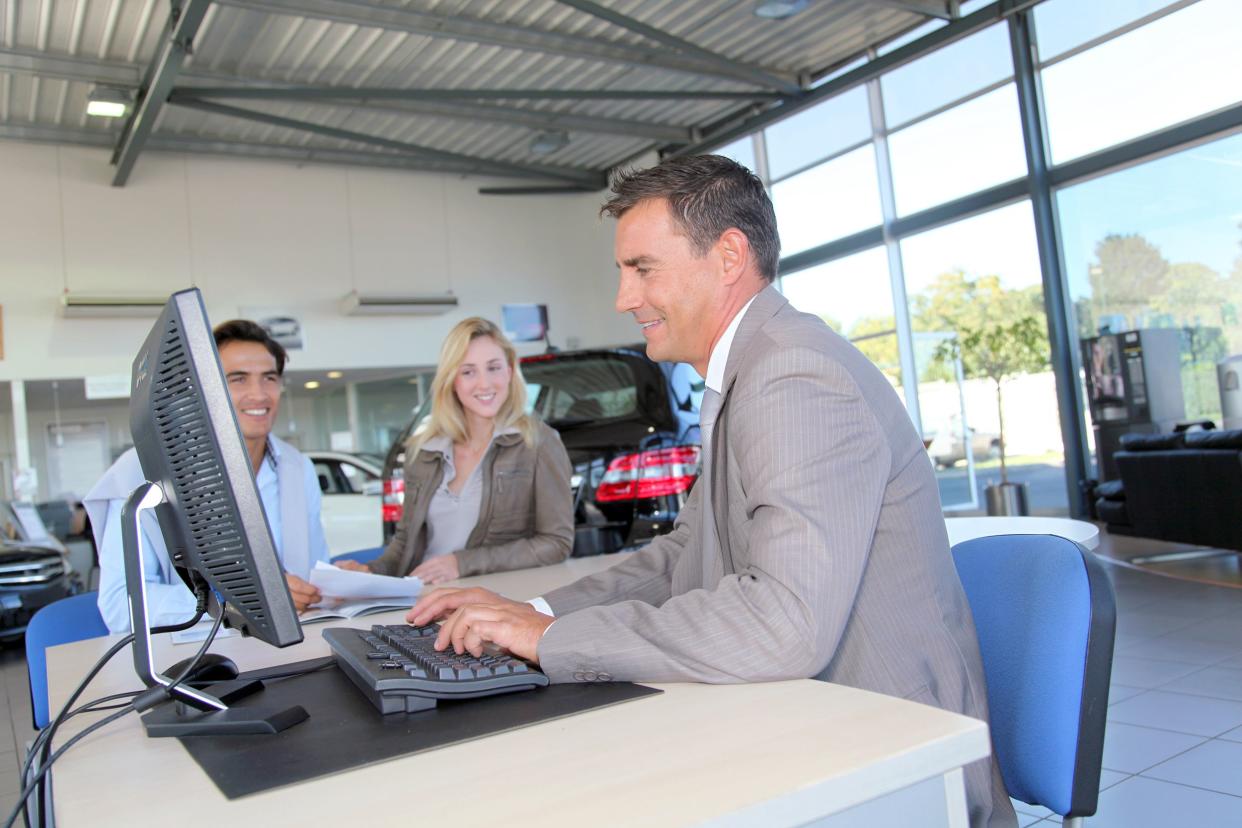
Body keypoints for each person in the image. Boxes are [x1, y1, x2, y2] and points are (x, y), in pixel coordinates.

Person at [407, 156, 1016, 827]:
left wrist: (552, 640)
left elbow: (784, 624)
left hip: (895, 759)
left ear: (728, 256)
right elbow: (682, 556)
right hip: (816, 721)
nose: (623, 298)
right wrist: (534, 611)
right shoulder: (748, 374)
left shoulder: (793, 375)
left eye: (642, 268)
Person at [87, 319, 330, 633]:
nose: (259, 394)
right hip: (194, 658)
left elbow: (311, 572)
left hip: (292, 647)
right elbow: (120, 605)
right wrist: (237, 602)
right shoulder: (140, 471)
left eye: (269, 378)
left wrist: (332, 583)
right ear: (200, 389)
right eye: (238, 379)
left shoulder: (298, 468)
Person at [339, 317, 572, 584]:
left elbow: (556, 543)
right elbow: (405, 544)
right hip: (425, 601)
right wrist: (369, 572)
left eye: (493, 368)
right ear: (452, 380)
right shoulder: (423, 451)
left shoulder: (539, 443)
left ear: (509, 372)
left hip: (498, 600)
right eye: (468, 371)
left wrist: (462, 564)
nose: (484, 384)